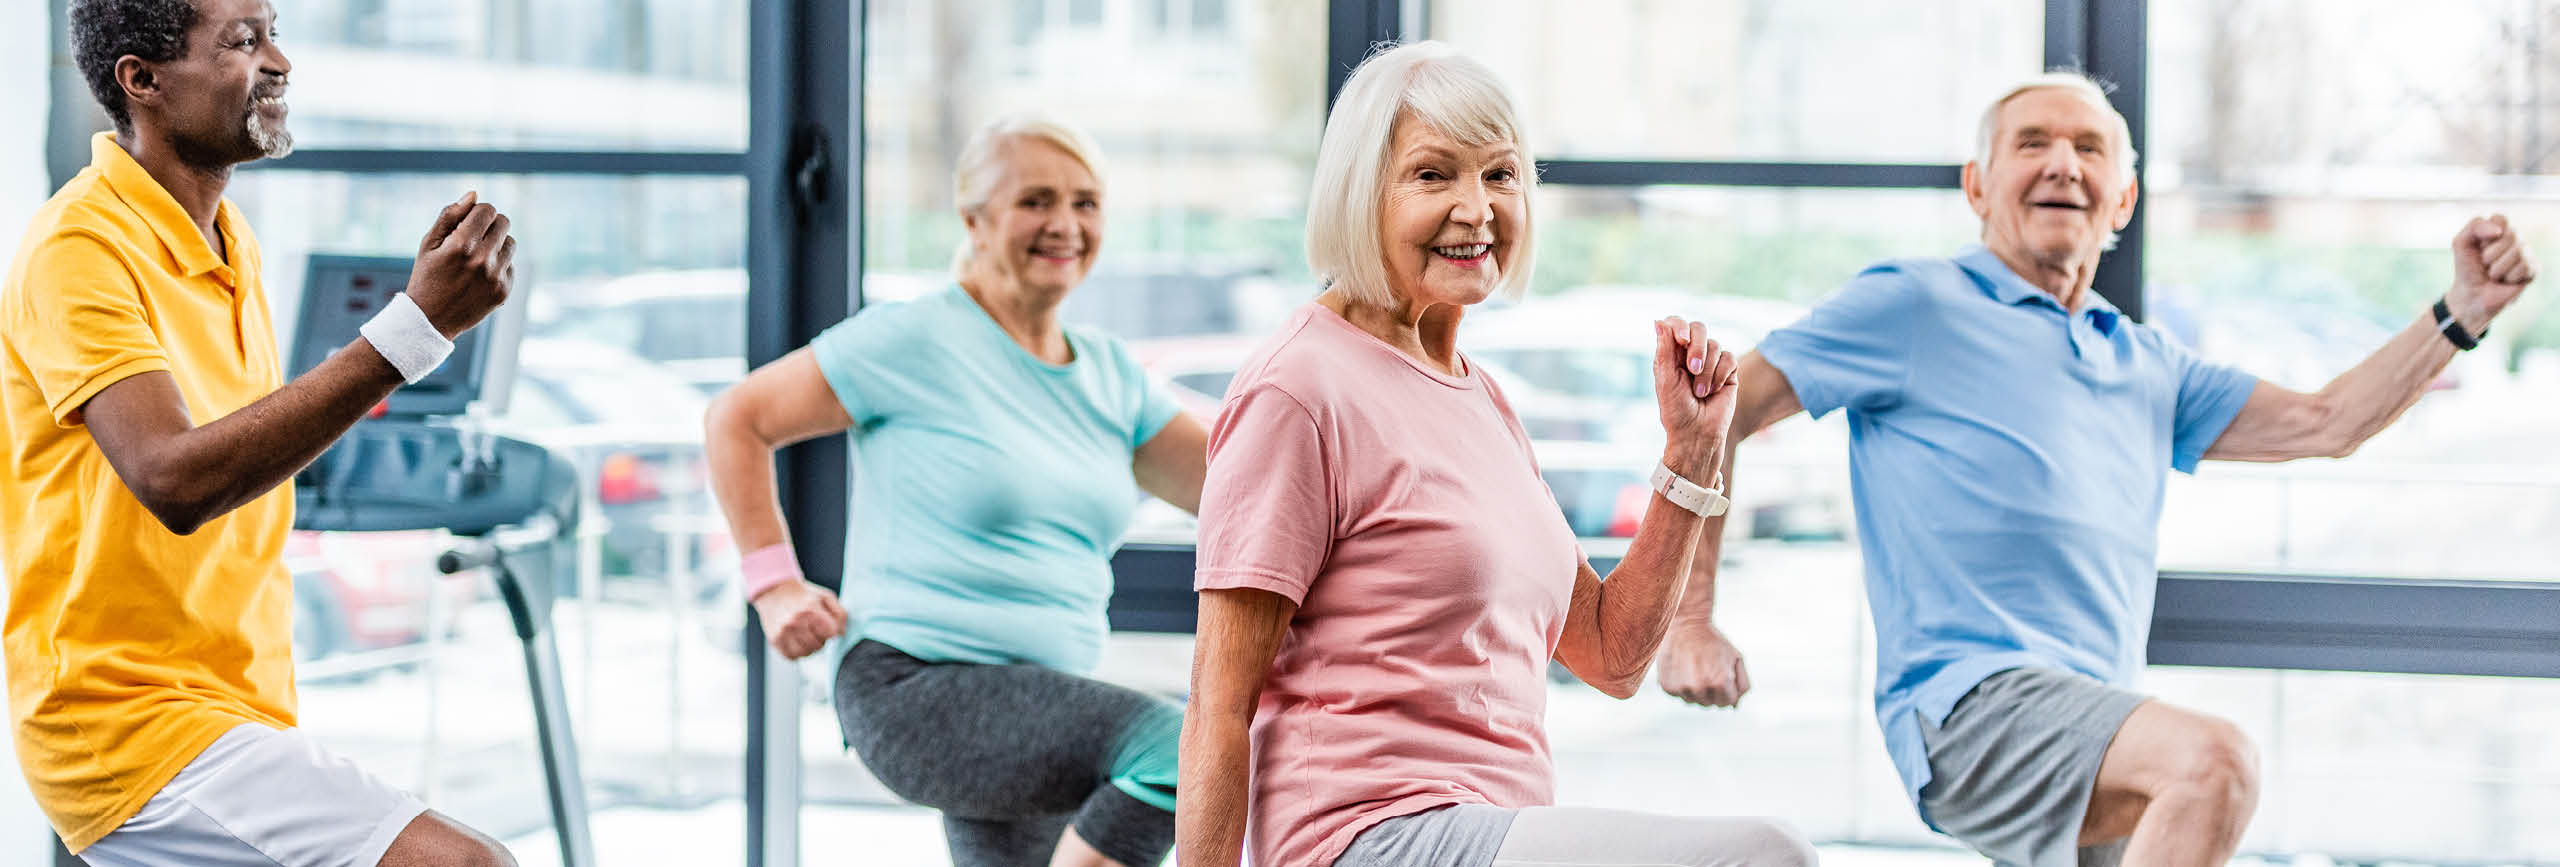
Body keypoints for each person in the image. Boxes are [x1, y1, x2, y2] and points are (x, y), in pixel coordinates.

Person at [1652, 71, 2539, 867]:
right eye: (2031, 143)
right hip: (1967, 709)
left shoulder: (2147, 362)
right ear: (1977, 186)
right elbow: (1725, 411)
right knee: (2215, 761)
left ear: (2124, 200)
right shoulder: (1914, 304)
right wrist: (1692, 621)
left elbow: (2328, 420)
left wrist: (2459, 315)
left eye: (2089, 148)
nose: (2063, 164)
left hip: (2096, 719)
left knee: (2187, 798)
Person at [1178, 41, 1819, 867]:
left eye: (1501, 174)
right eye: (1433, 174)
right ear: (1358, 192)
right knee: (1764, 855)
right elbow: (1216, 707)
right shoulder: (1298, 388)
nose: (1477, 209)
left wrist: (1693, 453)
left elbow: (1612, 652)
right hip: (1359, 835)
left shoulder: (1482, 398)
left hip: (1487, 824)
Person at [1, 1, 525, 864]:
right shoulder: (77, 247)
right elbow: (174, 478)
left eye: (274, 31)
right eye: (244, 42)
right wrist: (412, 332)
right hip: (128, 724)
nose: (280, 62)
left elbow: (243, 448)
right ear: (143, 82)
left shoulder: (227, 238)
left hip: (239, 705)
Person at [702, 112, 1208, 867]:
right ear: (975, 218)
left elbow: (1243, 487)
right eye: (1037, 200)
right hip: (915, 685)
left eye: (1085, 202)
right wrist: (774, 585)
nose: (1064, 224)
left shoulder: (1109, 373)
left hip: (1041, 699)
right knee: (1183, 749)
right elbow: (737, 417)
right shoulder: (917, 338)